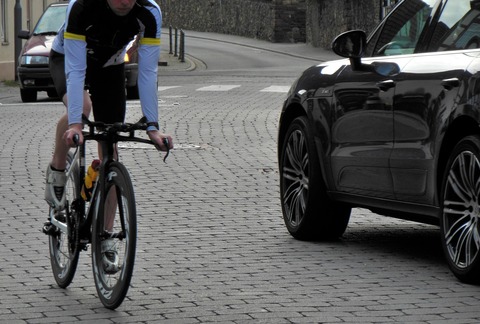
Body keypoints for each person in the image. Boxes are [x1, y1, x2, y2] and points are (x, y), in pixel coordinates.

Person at [44, 0, 173, 272]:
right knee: (84, 107)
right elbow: (76, 70)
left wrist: (152, 127)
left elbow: (148, 72)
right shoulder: (82, 7)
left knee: (110, 148)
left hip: (109, 67)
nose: (125, 1)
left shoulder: (149, 13)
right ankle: (57, 167)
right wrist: (77, 124)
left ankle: (107, 238)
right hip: (69, 58)